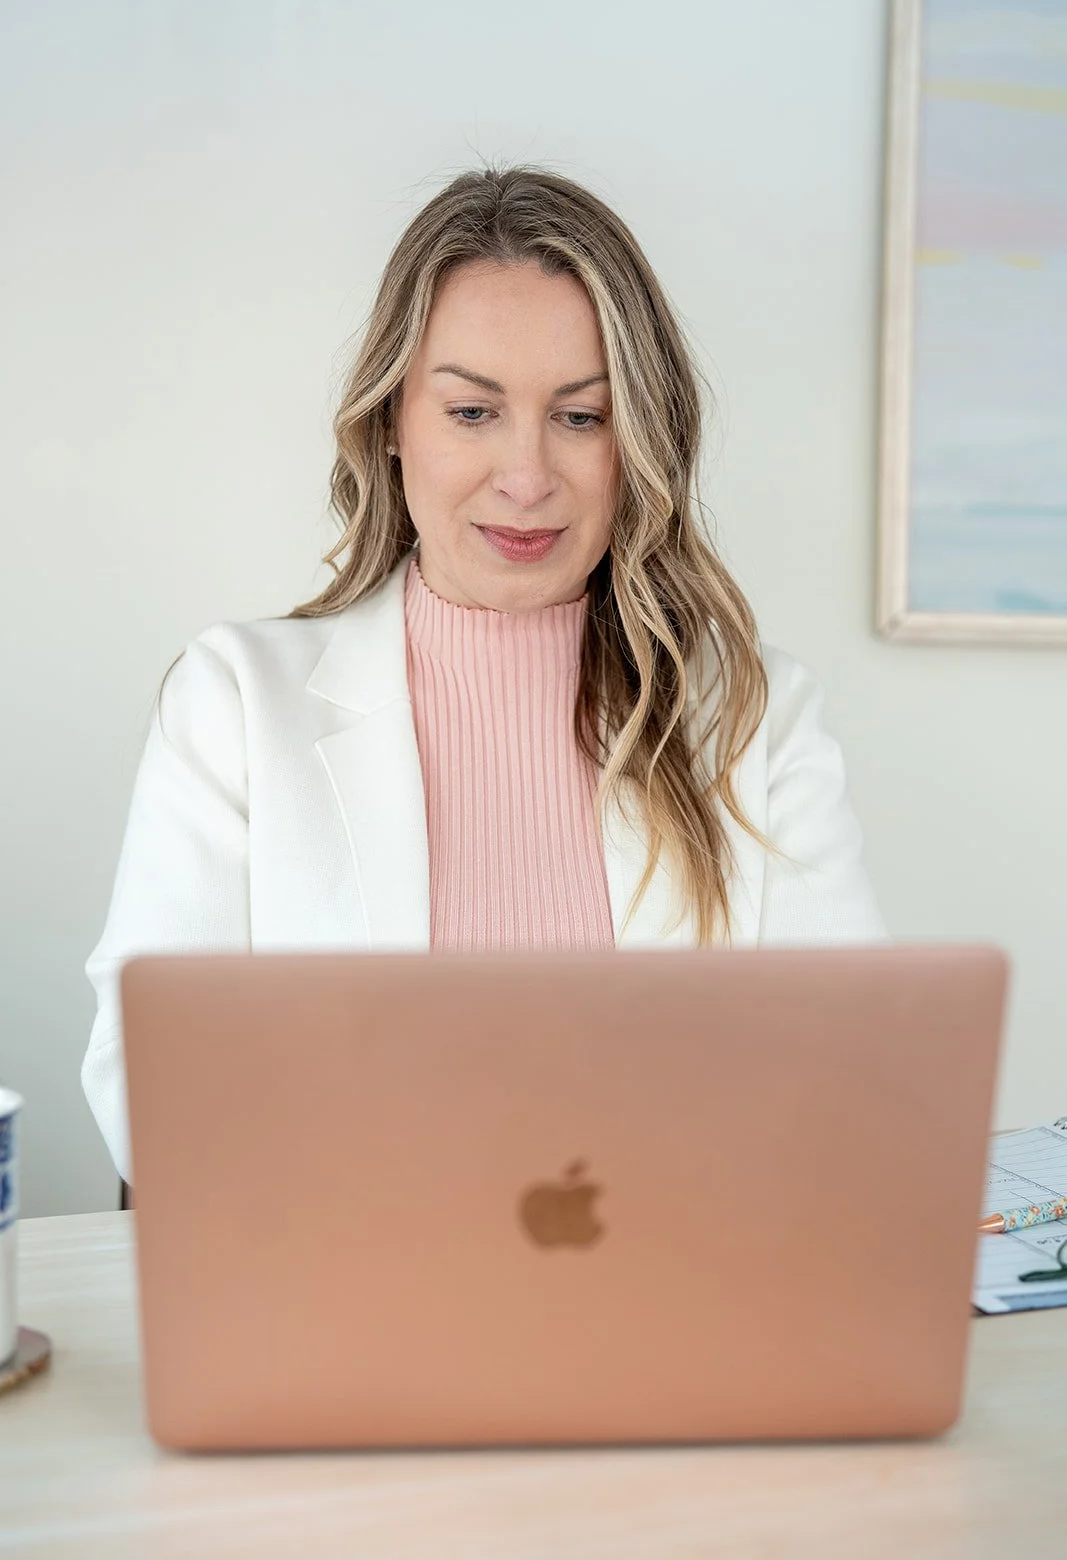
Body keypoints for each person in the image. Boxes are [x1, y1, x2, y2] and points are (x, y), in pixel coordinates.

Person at [81, 166, 887, 1184]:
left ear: (637, 442)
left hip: (671, 1308)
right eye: (471, 413)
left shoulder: (747, 716)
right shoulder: (234, 702)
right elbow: (154, 1088)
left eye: (580, 417)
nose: (525, 475)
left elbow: (849, 1082)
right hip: (345, 1306)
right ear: (390, 422)